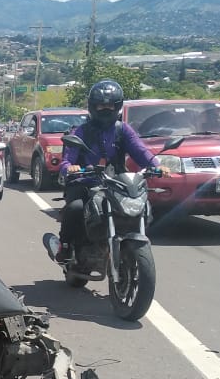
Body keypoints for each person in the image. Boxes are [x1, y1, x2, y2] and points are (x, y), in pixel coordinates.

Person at [47, 79, 170, 263]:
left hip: (115, 183)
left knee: (141, 204)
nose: (105, 109)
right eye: (101, 105)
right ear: (92, 106)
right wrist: (69, 168)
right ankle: (64, 247)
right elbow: (67, 160)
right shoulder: (81, 132)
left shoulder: (123, 129)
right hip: (85, 182)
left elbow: (140, 151)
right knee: (76, 208)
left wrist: (156, 165)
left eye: (110, 105)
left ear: (117, 106)